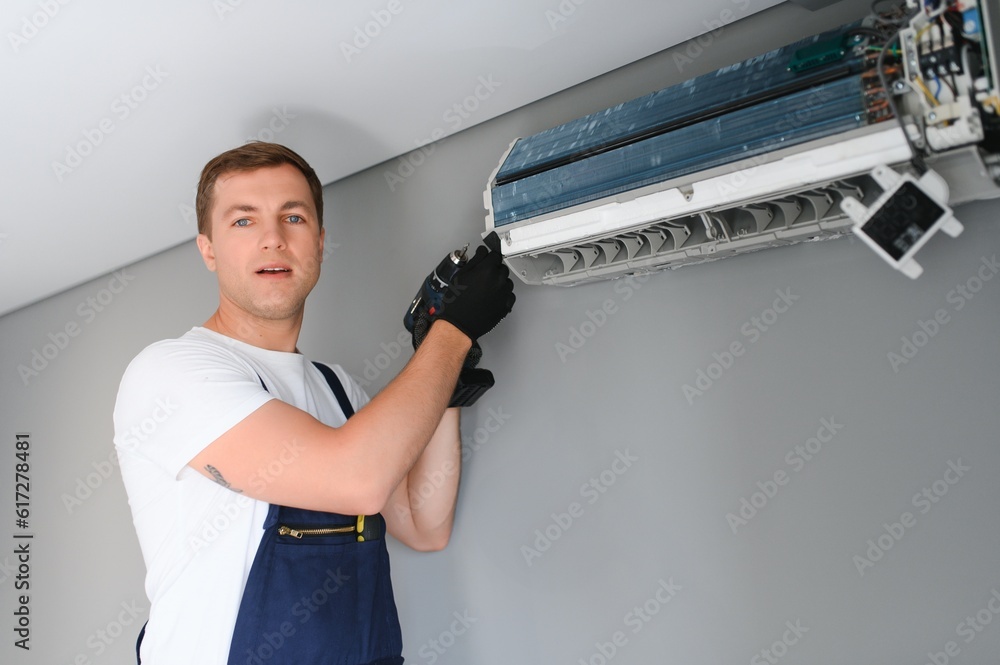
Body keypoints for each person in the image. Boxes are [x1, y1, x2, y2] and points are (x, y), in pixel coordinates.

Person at [113, 142, 515, 664]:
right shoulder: (171, 372)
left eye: (293, 217)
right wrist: (452, 333)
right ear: (208, 248)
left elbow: (422, 522)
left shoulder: (338, 390)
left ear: (319, 243)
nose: (273, 239)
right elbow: (356, 478)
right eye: (243, 222)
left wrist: (446, 377)